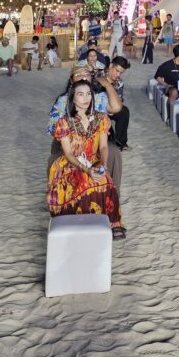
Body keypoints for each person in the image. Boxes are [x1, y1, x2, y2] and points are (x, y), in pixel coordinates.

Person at [46, 79, 126, 239]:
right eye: (80, 94)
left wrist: (102, 165)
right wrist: (87, 170)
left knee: (105, 181)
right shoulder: (64, 122)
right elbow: (68, 154)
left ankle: (112, 223)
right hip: (71, 164)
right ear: (72, 98)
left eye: (89, 94)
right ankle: (82, 226)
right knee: (84, 183)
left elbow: (103, 147)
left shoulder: (101, 119)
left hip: (93, 160)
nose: (86, 98)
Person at [154, 45, 179, 118]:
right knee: (174, 92)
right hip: (171, 88)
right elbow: (157, 77)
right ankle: (170, 116)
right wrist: (166, 85)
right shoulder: (167, 65)